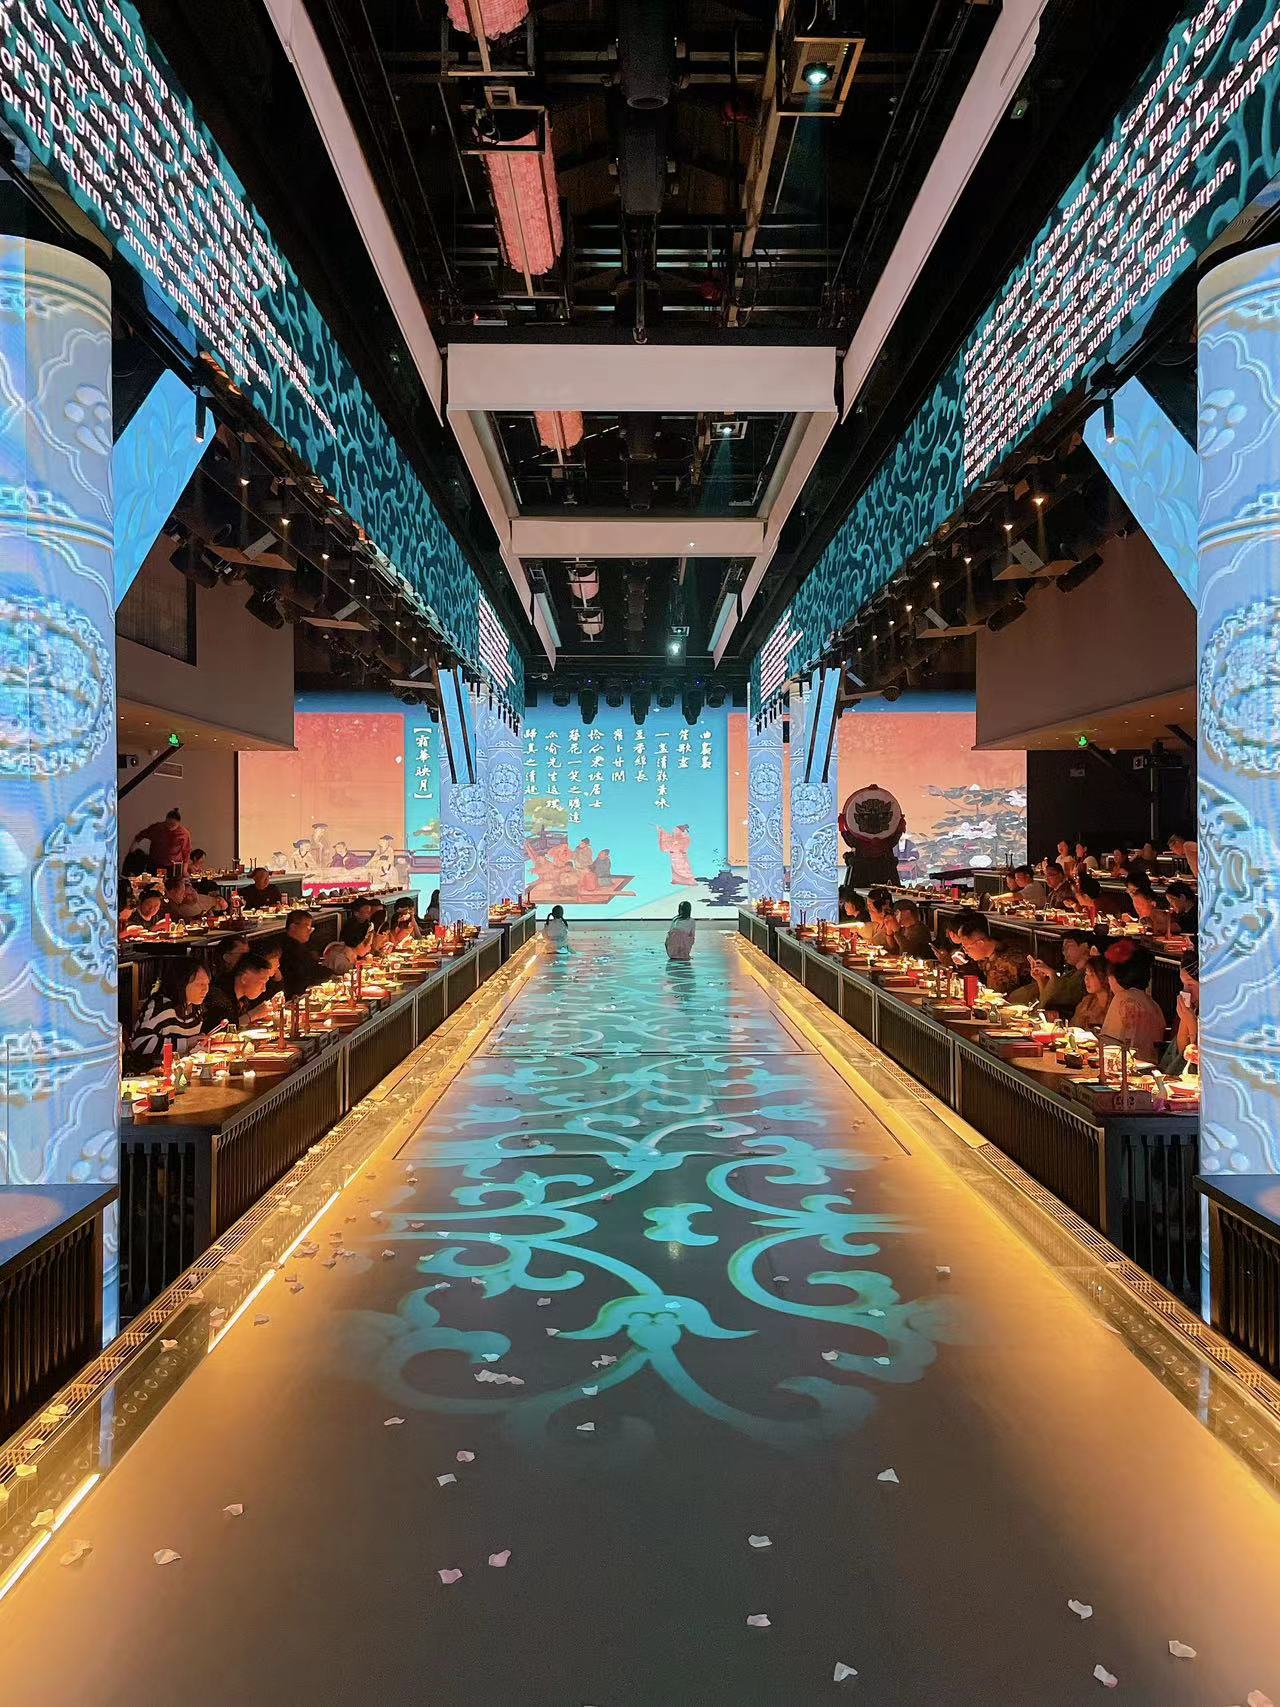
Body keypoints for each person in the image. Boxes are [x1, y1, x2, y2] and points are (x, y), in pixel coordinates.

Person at [127, 958, 211, 1070]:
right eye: (200, 984)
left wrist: (198, 1041)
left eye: (207, 984)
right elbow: (139, 1043)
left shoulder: (195, 1008)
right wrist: (185, 1043)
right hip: (153, 1072)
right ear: (182, 983)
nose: (205, 989)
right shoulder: (161, 1006)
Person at [1100, 941, 1166, 1063]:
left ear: (1115, 976)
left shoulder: (1122, 999)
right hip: (1150, 1065)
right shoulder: (1153, 1005)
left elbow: (1109, 1043)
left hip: (1127, 1065)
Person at [954, 919, 1037, 1003]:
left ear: (980, 943)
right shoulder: (986, 953)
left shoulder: (1007, 962)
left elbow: (997, 998)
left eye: (967, 948)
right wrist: (961, 958)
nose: (965, 952)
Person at [1027, 930, 1094, 1016]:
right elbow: (1045, 1000)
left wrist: (1051, 974)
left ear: (1085, 947)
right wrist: (1041, 980)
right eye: (1063, 947)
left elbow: (1053, 1003)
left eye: (1069, 946)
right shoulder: (1071, 973)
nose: (1064, 951)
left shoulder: (1086, 976)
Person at [204, 952, 276, 1030]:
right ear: (244, 978)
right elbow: (221, 1030)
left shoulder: (243, 998)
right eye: (262, 982)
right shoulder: (219, 997)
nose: (264, 989)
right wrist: (253, 1014)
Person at [1160, 951, 1199, 1075]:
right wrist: (1185, 1018)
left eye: (1191, 984)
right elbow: (1182, 1052)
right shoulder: (1195, 1008)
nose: (1185, 990)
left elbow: (1196, 1053)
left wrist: (1192, 1023)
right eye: (1184, 984)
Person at [280, 910, 327, 996]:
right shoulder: (287, 949)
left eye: (310, 926)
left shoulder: (301, 945)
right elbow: (305, 975)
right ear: (293, 927)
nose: (310, 930)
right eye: (306, 926)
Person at [131, 808, 191, 874]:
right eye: (167, 823)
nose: (169, 826)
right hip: (155, 864)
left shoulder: (184, 833)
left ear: (178, 823)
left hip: (173, 866)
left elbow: (186, 852)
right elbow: (141, 835)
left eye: (173, 825)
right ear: (165, 820)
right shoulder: (157, 827)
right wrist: (132, 848)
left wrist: (184, 870)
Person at [1070, 955, 1112, 1031]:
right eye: (1086, 974)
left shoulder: (1115, 1003)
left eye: (1091, 975)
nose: (1086, 979)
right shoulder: (1087, 1002)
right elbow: (1073, 1028)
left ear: (1104, 976)